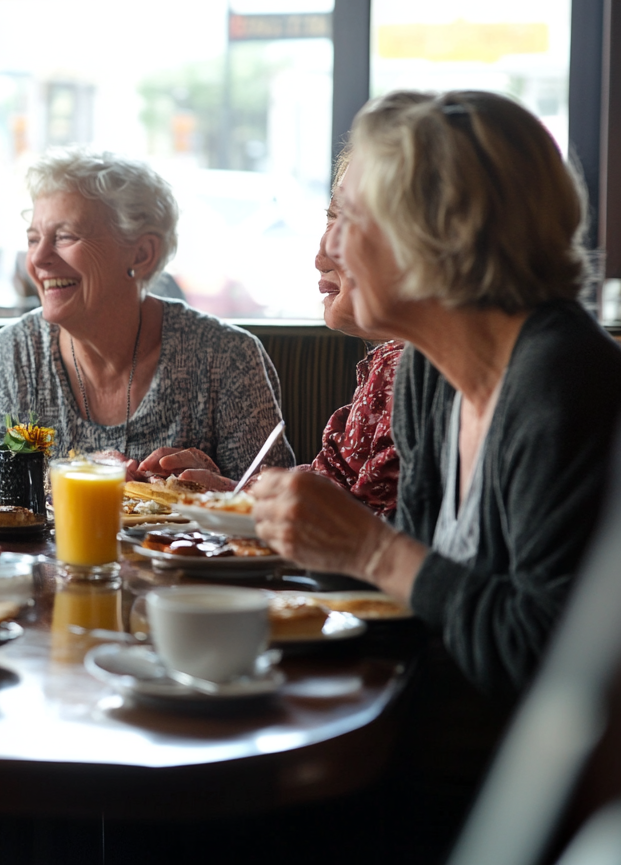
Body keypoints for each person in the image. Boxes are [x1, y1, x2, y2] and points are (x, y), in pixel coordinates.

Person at [253, 89, 621, 698]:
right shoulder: (428, 372)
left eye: (349, 218)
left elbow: (552, 661)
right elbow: (419, 591)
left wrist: (368, 550)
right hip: (422, 717)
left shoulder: (564, 381)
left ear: (441, 232)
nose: (328, 249)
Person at [0, 148, 292, 489]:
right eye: (33, 239)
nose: (38, 258)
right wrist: (80, 479)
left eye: (64, 236)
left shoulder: (227, 358)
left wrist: (214, 491)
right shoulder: (9, 357)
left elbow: (275, 505)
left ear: (142, 254)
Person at [304, 149, 404, 517]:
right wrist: (224, 493)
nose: (321, 255)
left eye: (353, 222)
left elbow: (369, 530)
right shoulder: (392, 360)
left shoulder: (416, 370)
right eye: (332, 218)